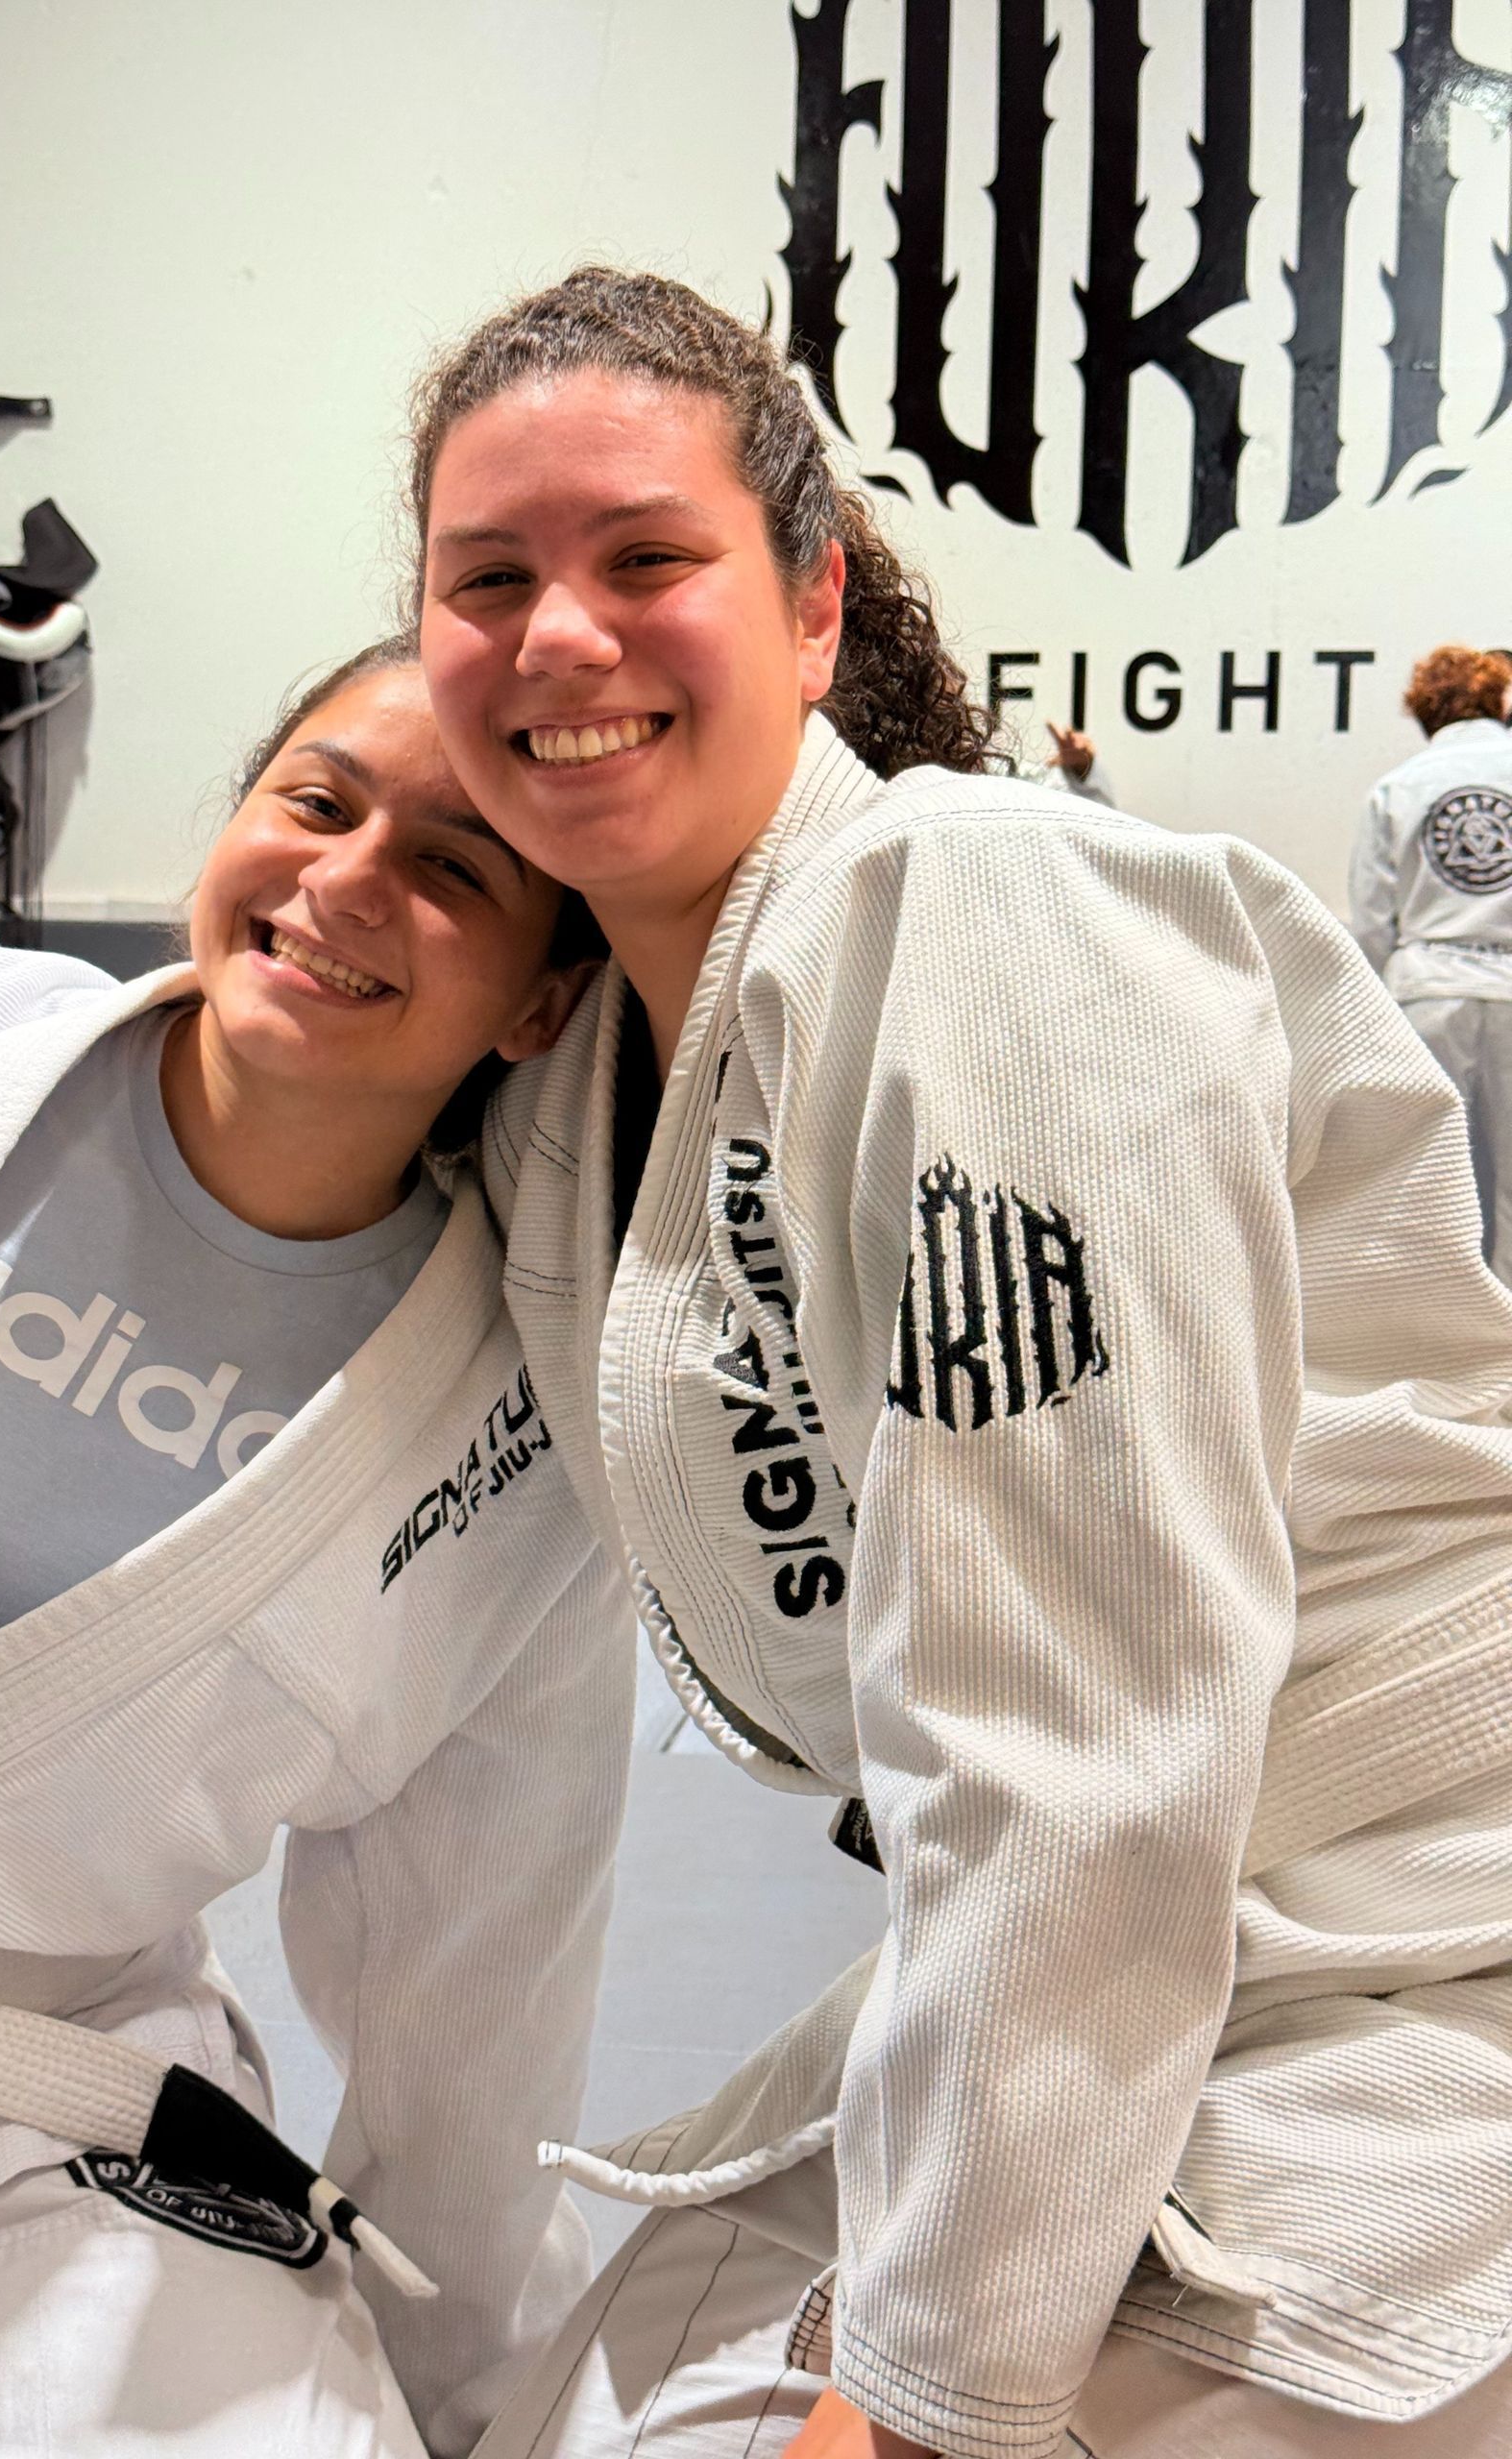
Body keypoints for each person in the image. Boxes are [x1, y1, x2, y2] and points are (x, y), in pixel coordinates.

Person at [407, 268, 1512, 2458]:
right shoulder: (599, 1092)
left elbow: (1075, 1724)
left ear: (811, 602)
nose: (558, 633)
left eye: (647, 559)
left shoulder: (981, 908)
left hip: (1415, 1950)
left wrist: (926, 2396)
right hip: (1192, 1953)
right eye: (487, 578)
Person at [0, 638, 632, 2458]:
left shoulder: (500, 1452)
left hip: (32, 2104)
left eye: (454, 869)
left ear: (541, 1001)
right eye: (316, 803)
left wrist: (484, 2406)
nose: (345, 882)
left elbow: (479, 1982)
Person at [1350, 645, 1512, 1278]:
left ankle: (1438, 1334)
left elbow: (1370, 921)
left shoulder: (1396, 787)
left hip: (1425, 995)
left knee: (1431, 1176)